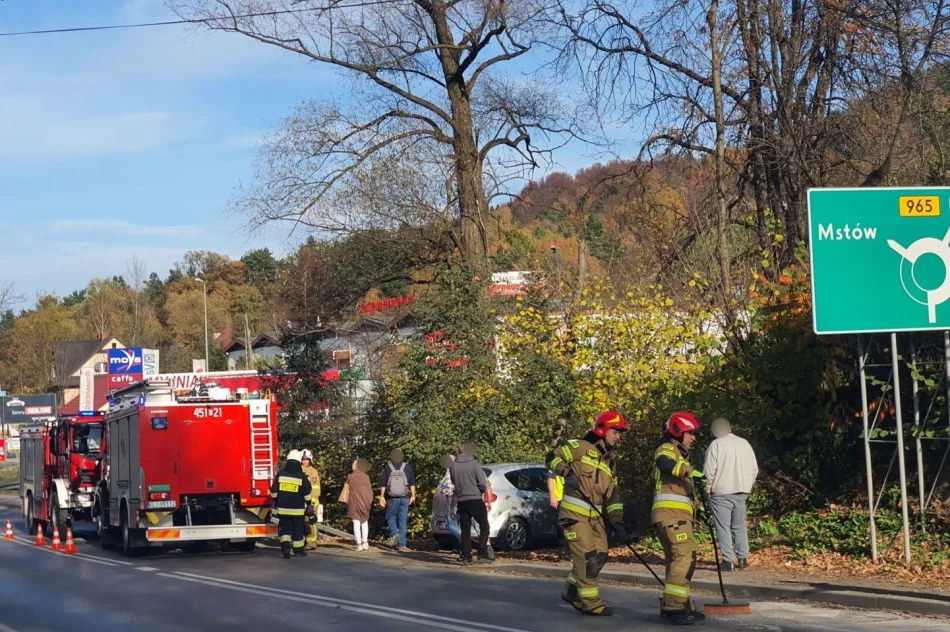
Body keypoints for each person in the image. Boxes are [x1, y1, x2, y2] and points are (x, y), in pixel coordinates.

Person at [546, 411, 627, 617]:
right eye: (615, 431)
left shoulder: (609, 461)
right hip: (574, 514)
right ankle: (590, 602)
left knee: (600, 556)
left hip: (596, 517)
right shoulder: (581, 447)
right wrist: (567, 473)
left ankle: (571, 590)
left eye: (620, 433)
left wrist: (617, 522)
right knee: (587, 557)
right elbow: (552, 457)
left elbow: (613, 496)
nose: (618, 437)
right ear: (602, 429)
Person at [652, 411, 706, 625]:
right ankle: (673, 608)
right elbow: (664, 464)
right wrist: (690, 471)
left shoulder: (680, 454)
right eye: (691, 433)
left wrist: (697, 508)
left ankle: (682, 605)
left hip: (676, 515)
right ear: (677, 431)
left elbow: (679, 488)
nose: (694, 438)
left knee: (678, 561)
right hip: (671, 515)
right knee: (684, 559)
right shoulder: (667, 448)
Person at [704, 418, 759, 571]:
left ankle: (728, 561)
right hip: (742, 491)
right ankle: (742, 559)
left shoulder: (716, 445)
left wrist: (707, 489)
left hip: (721, 491)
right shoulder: (744, 443)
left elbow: (709, 471)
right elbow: (754, 469)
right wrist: (747, 485)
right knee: (739, 526)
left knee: (723, 527)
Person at [450, 440, 493, 565]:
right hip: (475, 498)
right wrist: (481, 490)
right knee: (484, 526)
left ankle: (466, 556)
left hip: (462, 500)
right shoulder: (474, 463)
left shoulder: (453, 465)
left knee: (465, 529)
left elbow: (453, 482)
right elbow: (481, 481)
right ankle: (482, 554)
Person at [270, 449, 313, 559]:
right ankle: (298, 551)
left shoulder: (281, 474)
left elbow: (274, 491)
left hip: (283, 510)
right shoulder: (302, 476)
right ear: (299, 462)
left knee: (285, 531)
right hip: (297, 511)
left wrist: (275, 500)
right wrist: (309, 504)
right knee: (298, 531)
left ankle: (285, 550)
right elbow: (307, 493)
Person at [379, 448, 416, 552]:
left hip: (392, 498)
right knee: (403, 521)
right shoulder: (407, 467)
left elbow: (383, 484)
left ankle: (395, 535)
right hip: (405, 498)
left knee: (390, 517)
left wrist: (382, 496)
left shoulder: (388, 468)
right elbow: (412, 482)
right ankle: (402, 545)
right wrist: (413, 495)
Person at [345, 458, 374, 551]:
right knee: (364, 522)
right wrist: (369, 502)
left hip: (353, 503)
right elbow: (369, 491)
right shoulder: (366, 477)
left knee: (356, 523)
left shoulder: (350, 477)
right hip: (365, 503)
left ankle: (359, 544)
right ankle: (365, 542)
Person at [438, 454, 462, 551]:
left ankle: (462, 542)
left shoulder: (450, 471)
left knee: (449, 523)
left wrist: (443, 491)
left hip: (451, 498)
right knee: (456, 523)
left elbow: (449, 487)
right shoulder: (459, 470)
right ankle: (457, 547)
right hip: (460, 498)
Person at [300, 449, 322, 550]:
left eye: (307, 459)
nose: (305, 461)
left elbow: (316, 489)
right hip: (300, 501)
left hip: (311, 501)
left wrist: (311, 504)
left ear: (310, 460)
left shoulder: (313, 472)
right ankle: (302, 541)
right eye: (303, 459)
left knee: (311, 521)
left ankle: (311, 542)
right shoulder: (297, 470)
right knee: (301, 522)